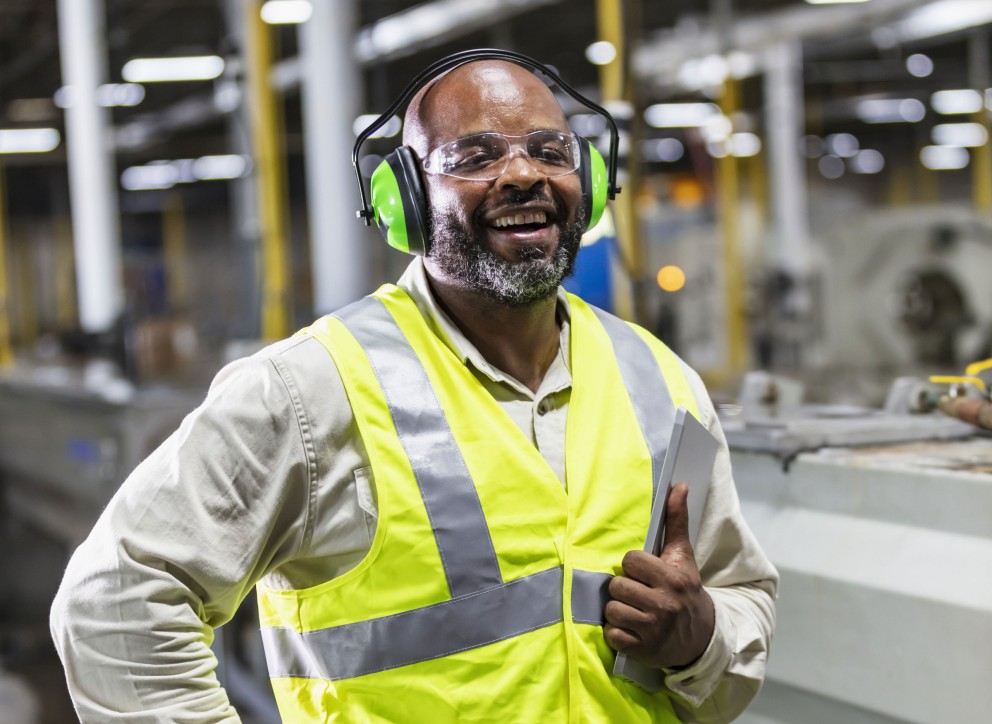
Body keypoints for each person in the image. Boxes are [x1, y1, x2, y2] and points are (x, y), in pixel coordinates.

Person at [51, 51, 777, 722]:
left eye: (550, 152)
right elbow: (116, 599)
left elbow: (740, 594)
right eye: (475, 156)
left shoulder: (657, 377)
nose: (523, 174)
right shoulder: (310, 390)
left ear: (586, 180)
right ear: (404, 201)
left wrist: (700, 638)